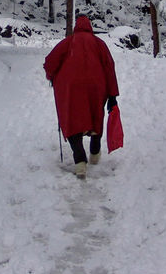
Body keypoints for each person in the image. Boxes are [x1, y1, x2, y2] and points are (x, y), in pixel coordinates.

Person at [44, 15, 119, 179]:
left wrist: (52, 76)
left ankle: (80, 162)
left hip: (71, 88)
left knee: (72, 119)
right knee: (95, 116)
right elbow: (109, 68)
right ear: (90, 27)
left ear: (76, 27)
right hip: (96, 87)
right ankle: (94, 152)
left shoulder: (68, 42)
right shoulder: (99, 44)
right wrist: (112, 94)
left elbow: (50, 62)